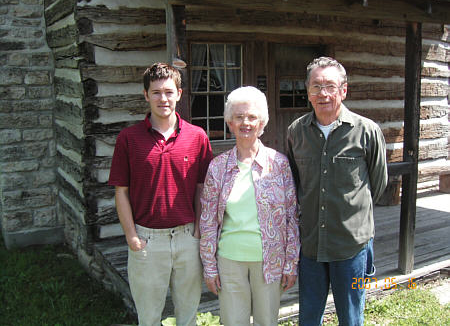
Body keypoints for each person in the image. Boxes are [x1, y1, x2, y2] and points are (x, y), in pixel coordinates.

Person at [108, 62, 213, 326]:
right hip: (147, 240)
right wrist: (132, 236)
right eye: (155, 92)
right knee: (149, 318)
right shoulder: (129, 139)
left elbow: (203, 188)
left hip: (187, 238)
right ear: (146, 95)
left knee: (188, 316)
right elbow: (121, 191)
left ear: (179, 93)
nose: (162, 98)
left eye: (168, 91)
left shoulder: (197, 137)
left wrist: (198, 230)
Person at [287, 57, 388, 326]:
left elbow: (377, 185)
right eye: (316, 86)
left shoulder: (367, 131)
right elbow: (296, 184)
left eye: (330, 86)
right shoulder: (296, 133)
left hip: (351, 246)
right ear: (307, 91)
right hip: (310, 247)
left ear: (343, 90)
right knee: (308, 318)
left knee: (351, 318)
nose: (323, 94)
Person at [200, 86, 300, 326]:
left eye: (252, 117)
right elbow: (207, 221)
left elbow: (292, 217)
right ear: (230, 122)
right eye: (239, 116)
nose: (246, 122)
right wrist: (209, 267)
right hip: (230, 260)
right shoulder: (218, 167)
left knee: (267, 322)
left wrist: (290, 263)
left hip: (270, 260)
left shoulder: (279, 164)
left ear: (262, 122)